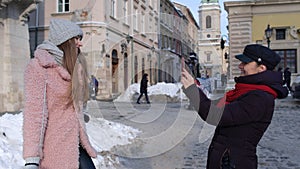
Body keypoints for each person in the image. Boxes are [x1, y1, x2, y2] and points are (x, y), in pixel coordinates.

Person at [181, 44, 288, 169]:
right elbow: (215, 106)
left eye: (245, 63)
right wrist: (197, 88)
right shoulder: (246, 91)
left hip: (233, 163)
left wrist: (193, 91)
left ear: (261, 68)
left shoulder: (259, 97)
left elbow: (215, 115)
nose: (240, 66)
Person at [23, 18, 97, 169]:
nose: (80, 43)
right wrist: (32, 159)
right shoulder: (39, 68)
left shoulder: (75, 66)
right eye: (76, 38)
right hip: (54, 149)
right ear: (65, 41)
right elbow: (34, 115)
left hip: (76, 144)